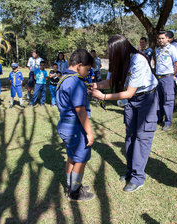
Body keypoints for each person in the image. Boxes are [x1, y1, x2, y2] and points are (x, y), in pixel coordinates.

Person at [90, 34, 158, 192]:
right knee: (130, 136)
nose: (109, 55)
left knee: (142, 137)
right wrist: (94, 85)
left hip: (146, 98)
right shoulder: (118, 61)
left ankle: (138, 177)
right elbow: (110, 82)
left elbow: (128, 92)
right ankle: (130, 171)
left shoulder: (138, 60)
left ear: (120, 50)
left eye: (111, 51)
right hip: (132, 100)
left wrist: (104, 96)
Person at [56, 49, 95, 201]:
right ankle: (74, 192)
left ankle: (71, 185)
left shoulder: (64, 78)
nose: (88, 72)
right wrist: (89, 133)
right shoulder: (75, 82)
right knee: (81, 159)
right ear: (79, 65)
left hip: (65, 126)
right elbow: (81, 111)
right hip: (75, 128)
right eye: (88, 69)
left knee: (72, 157)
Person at [155, 31, 177, 131]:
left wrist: (172, 75)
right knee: (159, 99)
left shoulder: (172, 48)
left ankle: (168, 122)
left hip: (167, 78)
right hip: (159, 78)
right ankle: (159, 118)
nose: (161, 40)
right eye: (159, 38)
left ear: (167, 39)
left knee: (168, 100)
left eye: (162, 38)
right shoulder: (157, 50)